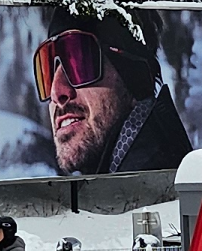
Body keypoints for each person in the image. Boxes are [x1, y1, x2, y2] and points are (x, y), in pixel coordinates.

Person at [33, 14, 191, 177]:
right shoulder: (118, 181)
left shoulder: (156, 184)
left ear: (135, 78)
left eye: (80, 65)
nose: (56, 92)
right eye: (47, 69)